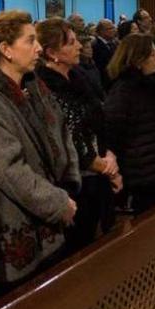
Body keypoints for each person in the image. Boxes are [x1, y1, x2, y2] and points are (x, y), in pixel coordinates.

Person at [0, 10, 78, 292]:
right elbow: (11, 171)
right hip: (17, 226)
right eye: (30, 41)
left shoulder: (32, 87)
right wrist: (57, 202)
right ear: (6, 50)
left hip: (51, 215)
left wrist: (70, 183)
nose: (38, 48)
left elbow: (62, 132)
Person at [36, 19, 121, 252]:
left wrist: (109, 155)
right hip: (75, 181)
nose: (79, 47)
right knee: (84, 250)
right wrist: (104, 166)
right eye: (71, 43)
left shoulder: (77, 76)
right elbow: (66, 137)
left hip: (98, 171)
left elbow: (98, 119)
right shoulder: (45, 86)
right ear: (52, 53)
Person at [104, 34, 155, 214]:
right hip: (144, 167)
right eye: (151, 54)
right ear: (137, 60)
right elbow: (114, 130)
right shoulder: (124, 90)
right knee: (150, 216)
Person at [92, 19, 117, 88]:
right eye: (110, 28)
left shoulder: (113, 44)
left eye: (113, 27)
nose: (114, 30)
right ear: (101, 31)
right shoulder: (95, 46)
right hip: (105, 84)